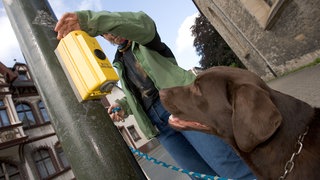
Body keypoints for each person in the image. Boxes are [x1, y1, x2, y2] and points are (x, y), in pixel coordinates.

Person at [55, 10, 255, 179]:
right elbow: (136, 95)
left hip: (182, 108)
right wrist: (122, 107)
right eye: (106, 34)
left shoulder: (146, 40)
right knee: (200, 174)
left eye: (112, 29)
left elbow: (144, 24)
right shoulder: (119, 63)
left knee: (228, 166)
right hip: (158, 126)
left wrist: (89, 21)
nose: (111, 35)